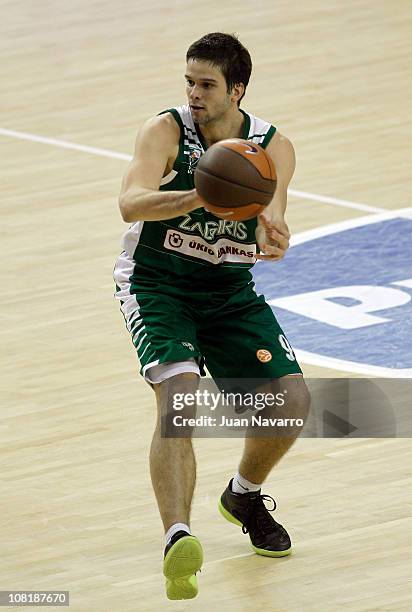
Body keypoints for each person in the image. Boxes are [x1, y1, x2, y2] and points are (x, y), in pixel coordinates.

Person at [113, 32, 310, 600]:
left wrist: (274, 234)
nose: (193, 94)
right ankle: (178, 535)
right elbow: (131, 202)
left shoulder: (273, 146)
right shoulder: (165, 130)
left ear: (237, 90)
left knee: (291, 404)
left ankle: (243, 494)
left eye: (206, 84)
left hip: (227, 288)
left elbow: (270, 214)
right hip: (157, 282)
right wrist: (201, 194)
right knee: (179, 399)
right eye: (189, 82)